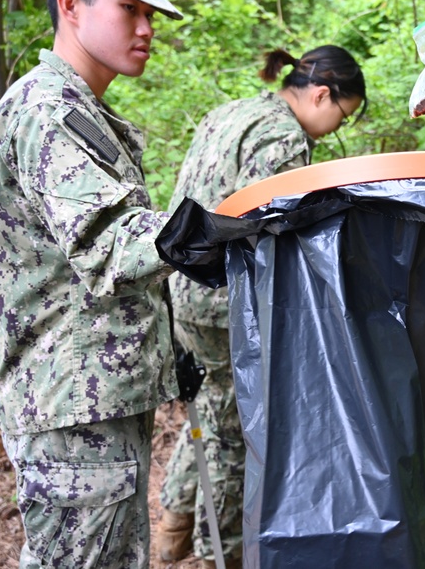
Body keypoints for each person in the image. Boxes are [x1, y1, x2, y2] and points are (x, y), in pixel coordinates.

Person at [0, 0, 184, 568]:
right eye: (130, 8)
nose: (146, 26)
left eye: (151, 12)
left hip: (92, 401)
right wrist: (210, 227)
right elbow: (109, 245)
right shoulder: (48, 110)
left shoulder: (79, 109)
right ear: (71, 6)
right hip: (75, 414)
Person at [154, 45, 367, 568]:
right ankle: (218, 552)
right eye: (343, 115)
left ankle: (174, 525)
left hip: (182, 288)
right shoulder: (284, 138)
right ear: (322, 94)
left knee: (216, 410)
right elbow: (279, 234)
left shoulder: (236, 112)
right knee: (235, 431)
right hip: (224, 298)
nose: (337, 128)